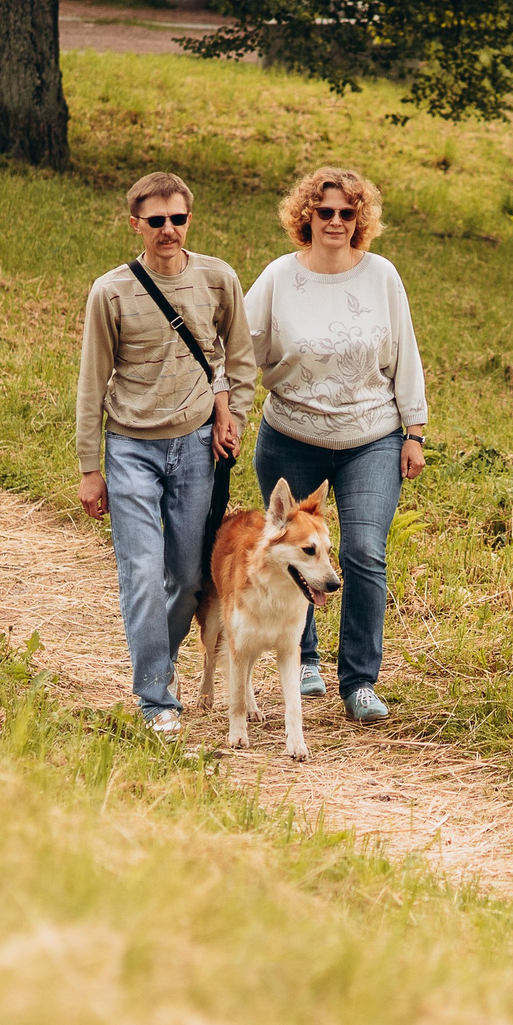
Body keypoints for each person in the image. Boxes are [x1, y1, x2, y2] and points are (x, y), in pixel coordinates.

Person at [246, 165, 427, 724]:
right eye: (325, 211)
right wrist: (222, 411)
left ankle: (360, 681)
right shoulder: (278, 277)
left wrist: (414, 431)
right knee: (298, 551)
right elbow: (240, 351)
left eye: (347, 213)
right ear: (306, 216)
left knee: (363, 551)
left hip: (370, 436)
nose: (336, 221)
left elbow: (406, 356)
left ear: (360, 219)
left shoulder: (382, 276)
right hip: (291, 437)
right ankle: (303, 657)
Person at [76, 171, 255, 733]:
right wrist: (89, 469)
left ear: (189, 220)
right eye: (156, 221)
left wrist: (233, 418)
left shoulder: (218, 278)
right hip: (131, 448)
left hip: (197, 446)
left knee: (187, 575)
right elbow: (91, 383)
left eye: (177, 219)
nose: (168, 230)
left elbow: (238, 359)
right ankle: (156, 696)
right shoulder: (111, 292)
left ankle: (160, 657)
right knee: (142, 570)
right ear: (136, 225)